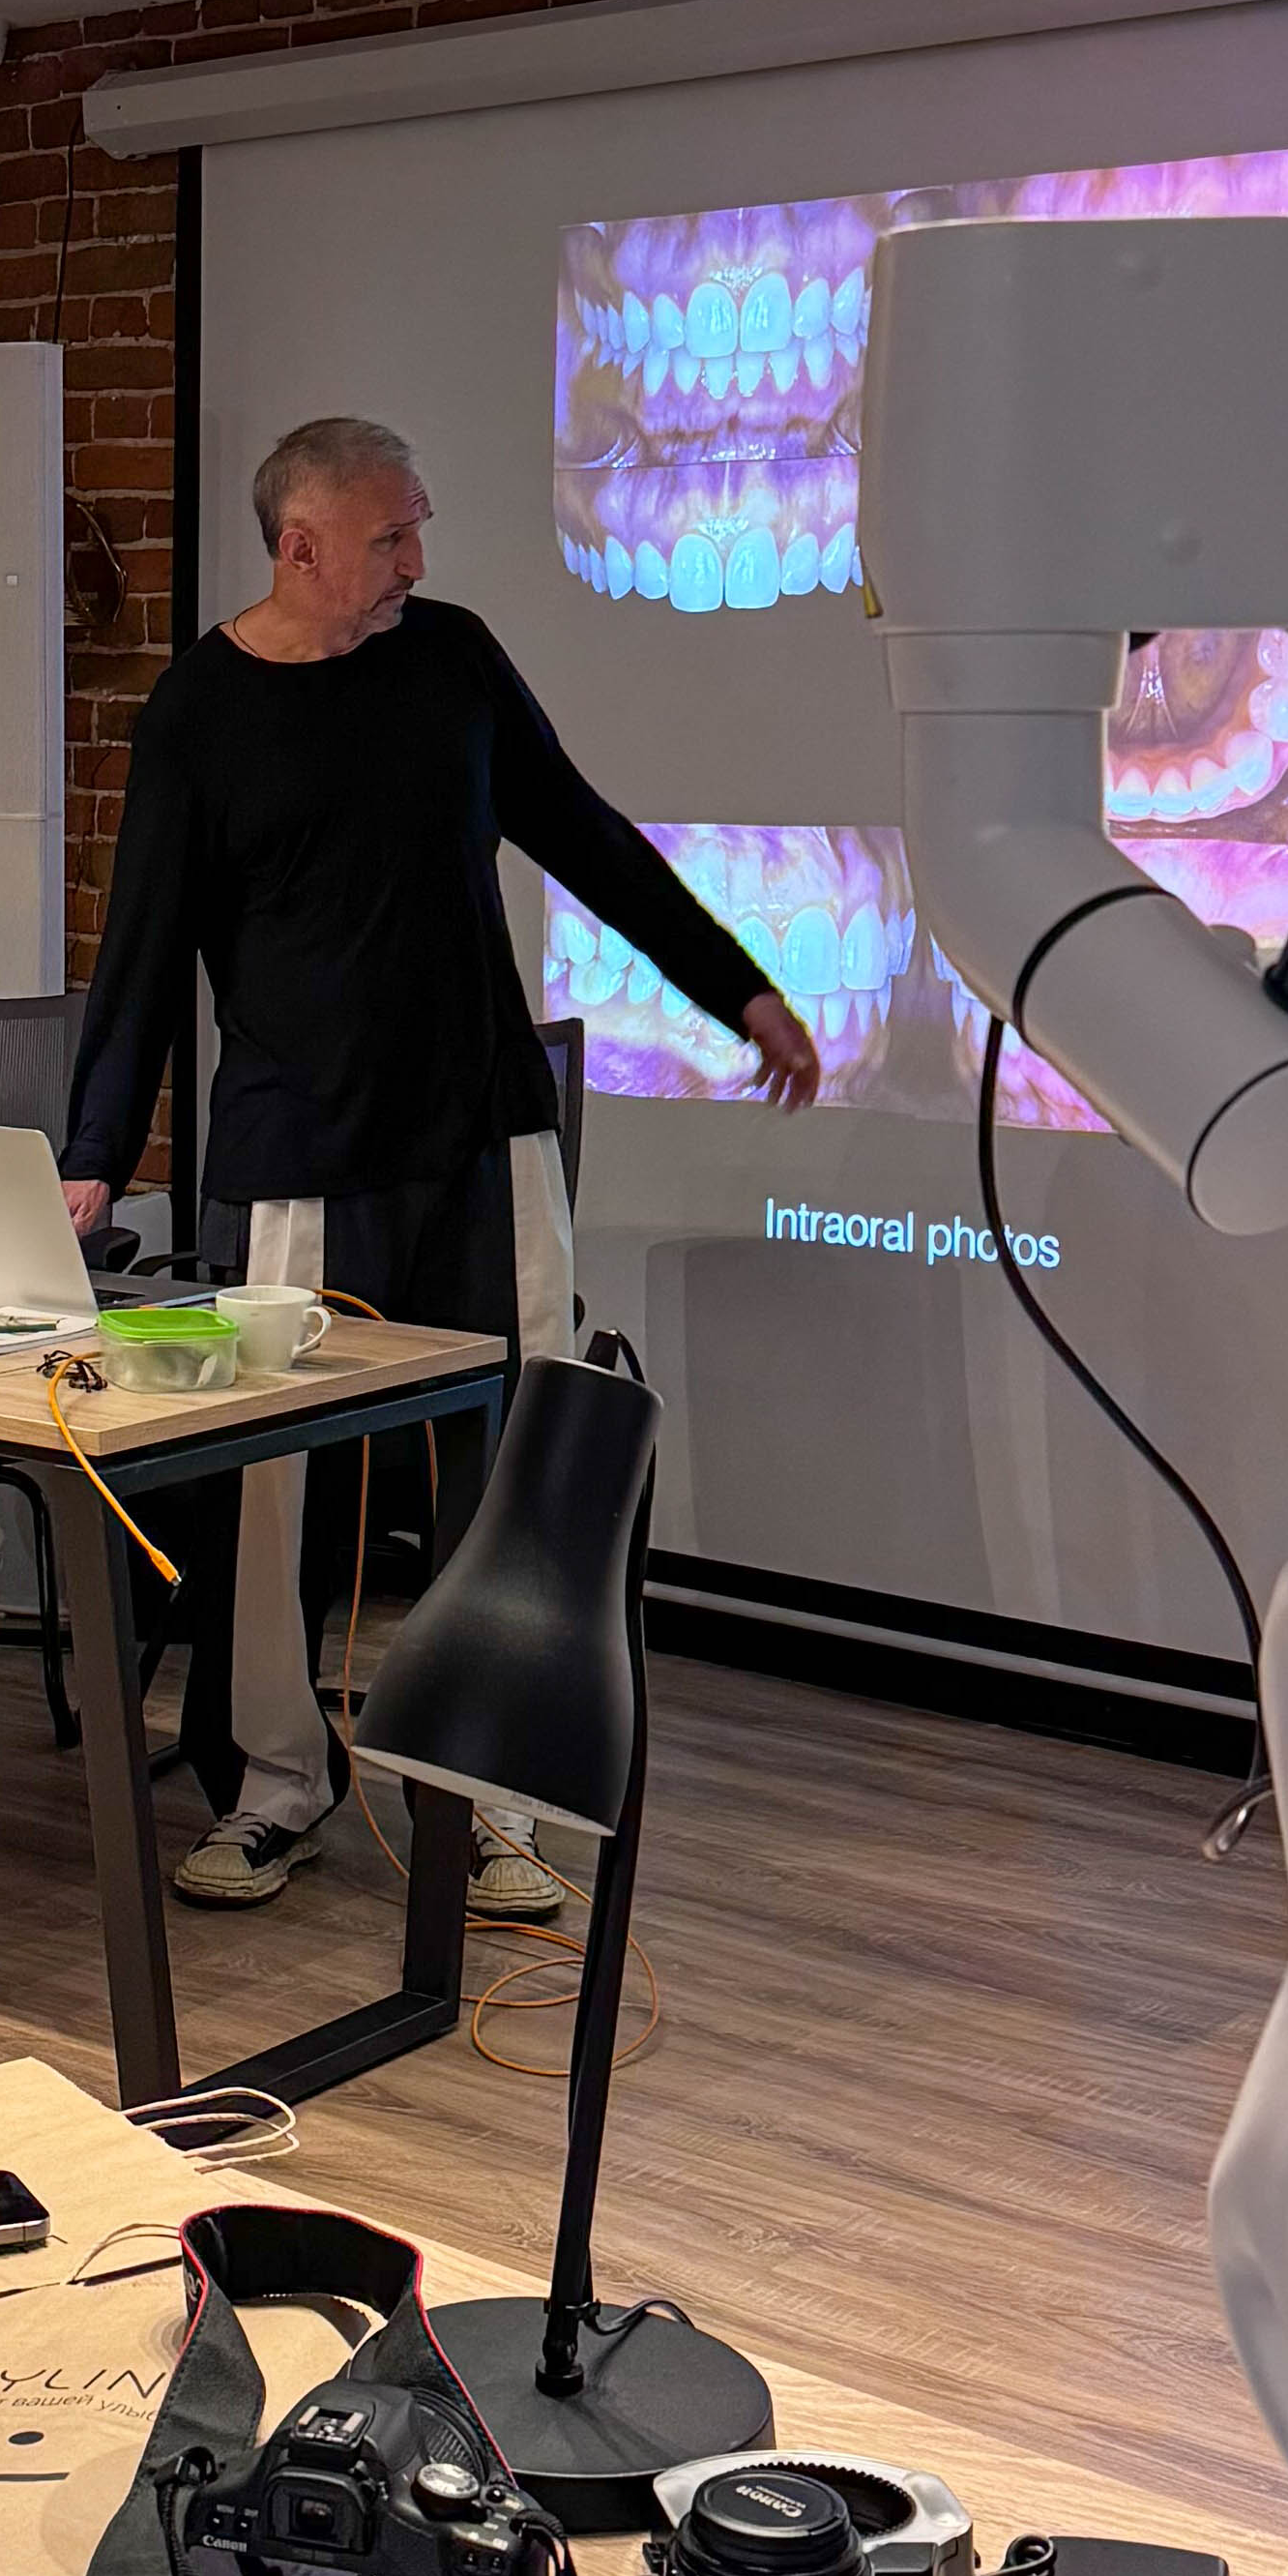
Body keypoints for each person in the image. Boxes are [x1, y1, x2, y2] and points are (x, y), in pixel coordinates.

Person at [59, 417, 817, 1909]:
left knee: (510, 1476)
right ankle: (275, 1788)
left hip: (484, 1138)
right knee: (273, 1491)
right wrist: (95, 1154)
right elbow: (141, 949)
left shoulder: (454, 660)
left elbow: (586, 835)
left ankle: (494, 1805)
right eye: (391, 536)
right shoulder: (199, 711)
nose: (418, 559)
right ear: (302, 548)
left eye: (420, 528)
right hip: (296, 1155)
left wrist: (736, 987)